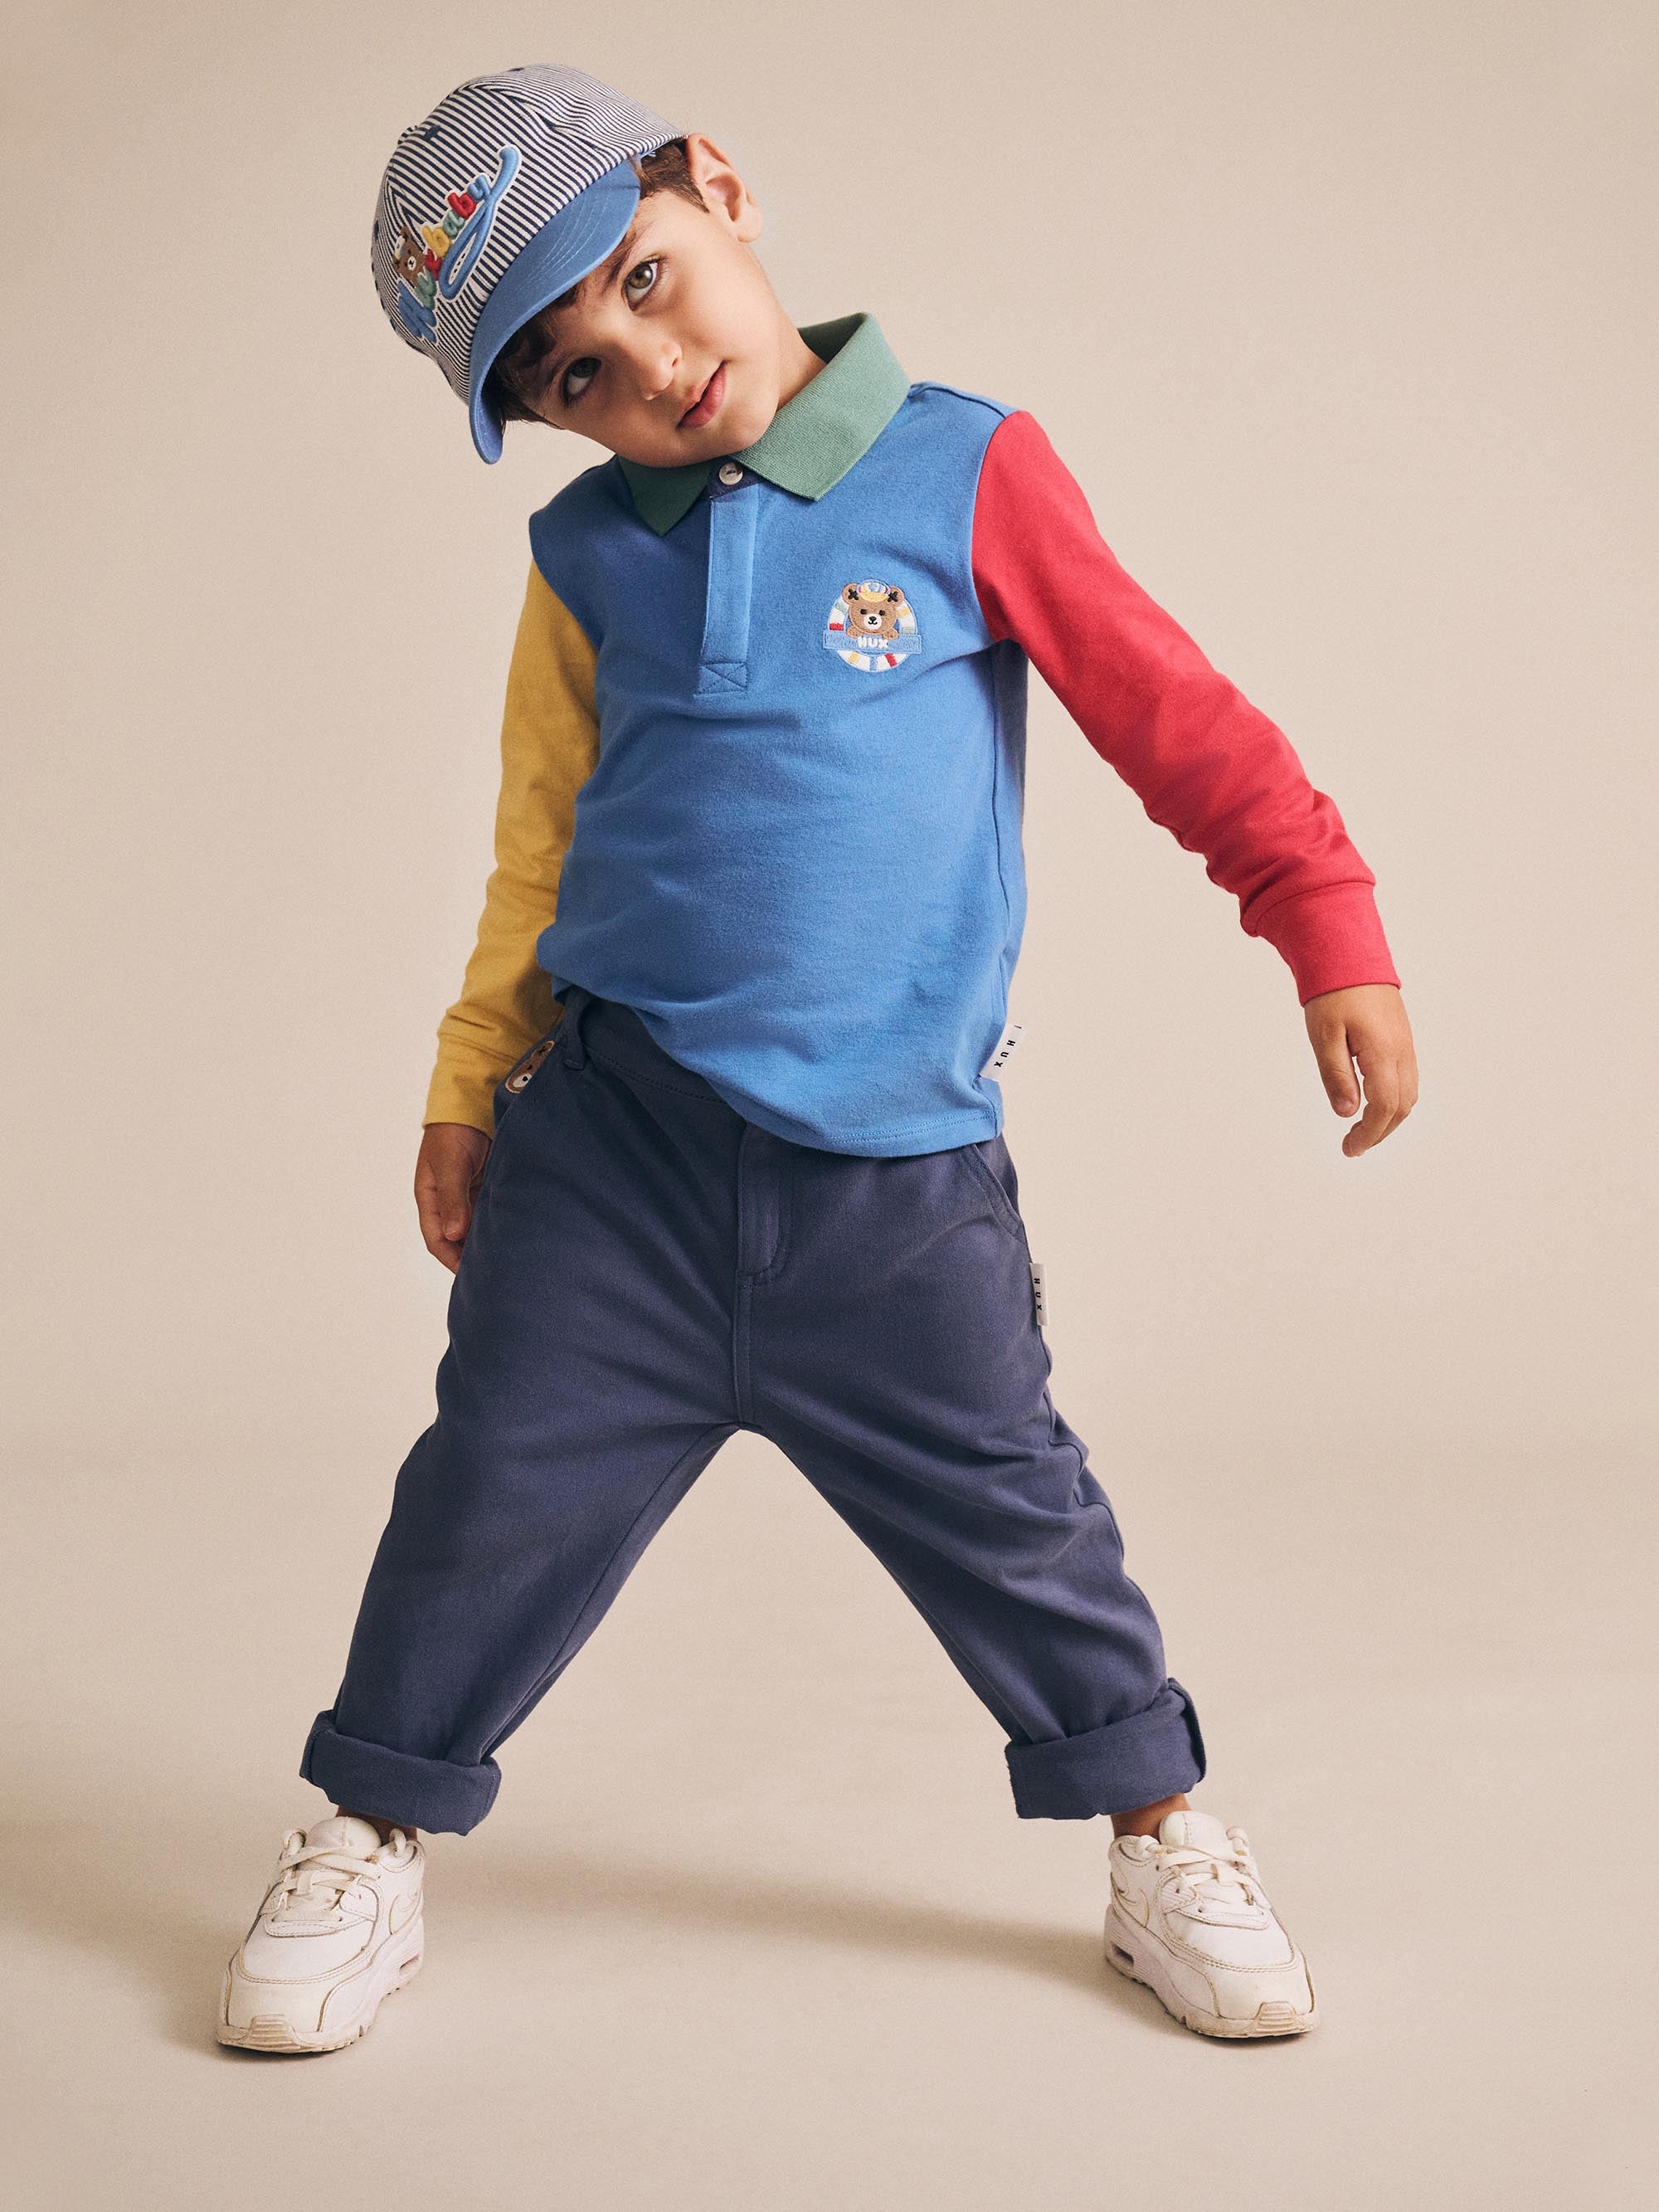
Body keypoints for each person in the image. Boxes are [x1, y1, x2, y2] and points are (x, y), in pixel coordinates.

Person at [216, 63, 1418, 2054]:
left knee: (1018, 1512)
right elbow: (540, 845)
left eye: (646, 278)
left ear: (718, 185)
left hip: (893, 1183)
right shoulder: (585, 560)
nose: (647, 366)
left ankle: (1158, 1830)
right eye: (575, 375)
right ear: (545, 424)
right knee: (487, 1492)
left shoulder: (965, 469)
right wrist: (466, 1075)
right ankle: (369, 1829)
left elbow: (1170, 712)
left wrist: (1319, 908)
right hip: (613, 1162)